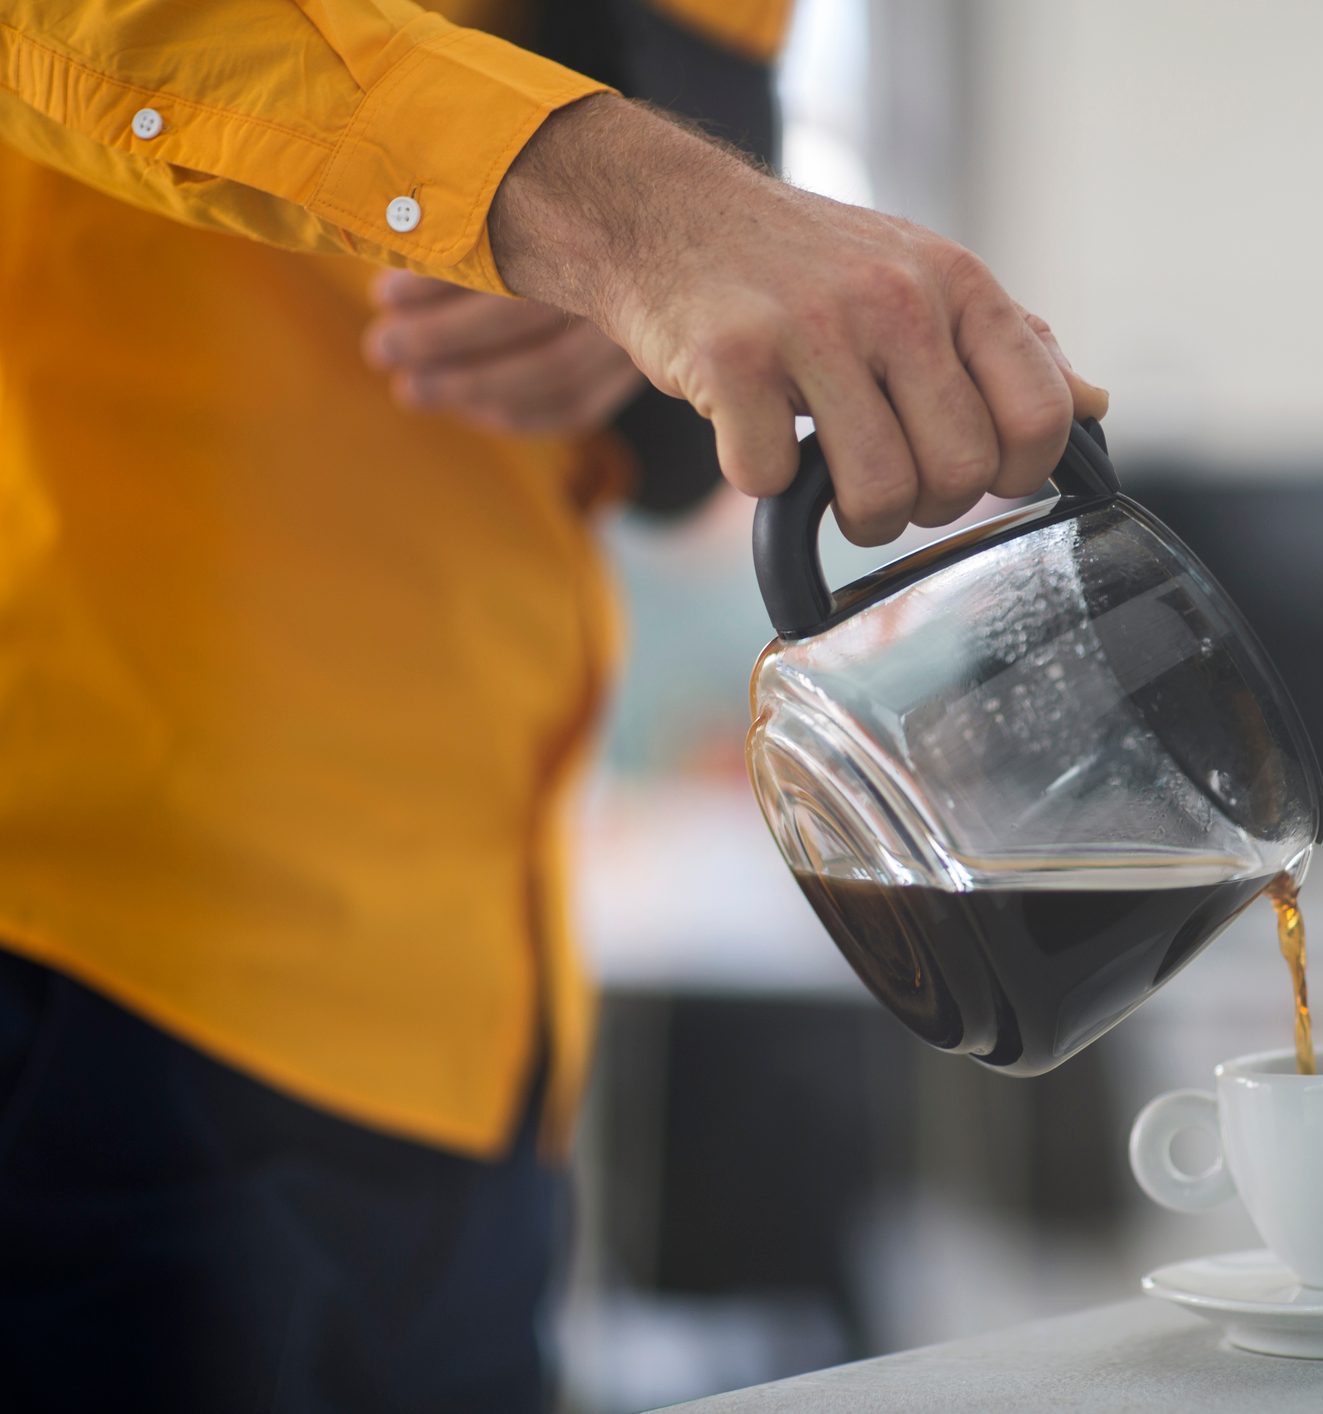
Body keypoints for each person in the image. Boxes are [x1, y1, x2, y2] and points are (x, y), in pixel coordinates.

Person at [0, 0, 1107, 1408]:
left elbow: (662, 284)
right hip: (95, 944)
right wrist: (623, 214)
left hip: (472, 1023)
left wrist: (610, 320)